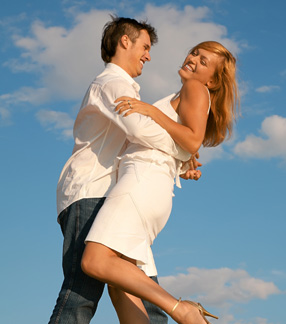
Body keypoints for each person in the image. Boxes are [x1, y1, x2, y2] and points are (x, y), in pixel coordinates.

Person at [49, 16, 196, 324]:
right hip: (91, 192)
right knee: (81, 293)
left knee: (149, 302)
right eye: (144, 46)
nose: (148, 55)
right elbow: (141, 131)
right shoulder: (112, 83)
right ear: (125, 42)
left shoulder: (126, 88)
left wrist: (179, 162)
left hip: (118, 199)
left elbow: (135, 144)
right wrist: (184, 149)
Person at [81, 41, 239, 324]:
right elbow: (181, 144)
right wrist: (181, 164)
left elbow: (192, 139)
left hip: (140, 185)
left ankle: (183, 310)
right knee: (121, 286)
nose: (193, 59)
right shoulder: (188, 92)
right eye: (194, 53)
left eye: (204, 62)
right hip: (150, 187)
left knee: (95, 261)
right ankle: (181, 310)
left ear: (213, 80)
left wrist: (151, 111)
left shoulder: (195, 89)